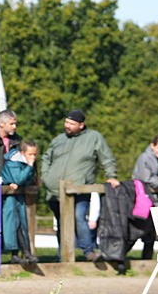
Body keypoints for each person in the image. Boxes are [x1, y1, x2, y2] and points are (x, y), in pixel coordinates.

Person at [40, 109, 118, 261]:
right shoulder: (58, 139)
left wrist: (111, 176)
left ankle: (88, 251)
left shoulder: (94, 137)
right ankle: (62, 257)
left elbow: (106, 158)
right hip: (55, 191)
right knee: (62, 223)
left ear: (81, 125)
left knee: (78, 217)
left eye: (71, 123)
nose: (67, 125)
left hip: (80, 189)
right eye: (66, 122)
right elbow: (45, 158)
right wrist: (46, 177)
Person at [1, 140, 38, 264]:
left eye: (35, 155)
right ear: (22, 153)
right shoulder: (14, 164)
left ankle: (24, 253)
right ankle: (19, 253)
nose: (33, 157)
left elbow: (28, 180)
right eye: (30, 154)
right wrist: (29, 166)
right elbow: (19, 179)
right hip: (9, 198)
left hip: (19, 196)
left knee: (22, 225)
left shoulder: (24, 163)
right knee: (13, 225)